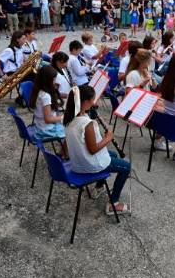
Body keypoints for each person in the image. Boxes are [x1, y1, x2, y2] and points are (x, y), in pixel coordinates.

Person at [63, 85, 131, 215]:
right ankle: (113, 204)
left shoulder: (69, 117)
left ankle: (99, 187)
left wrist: (93, 125)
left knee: (113, 154)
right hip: (89, 164)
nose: (94, 103)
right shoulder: (87, 124)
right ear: (85, 102)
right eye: (92, 100)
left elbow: (78, 138)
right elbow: (93, 149)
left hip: (77, 163)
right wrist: (108, 138)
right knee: (126, 167)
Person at [29, 66, 66, 141]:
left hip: (40, 125)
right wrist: (63, 117)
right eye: (54, 79)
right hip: (46, 130)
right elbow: (48, 119)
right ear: (48, 81)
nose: (55, 81)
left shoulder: (38, 90)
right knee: (71, 130)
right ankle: (64, 148)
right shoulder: (46, 96)